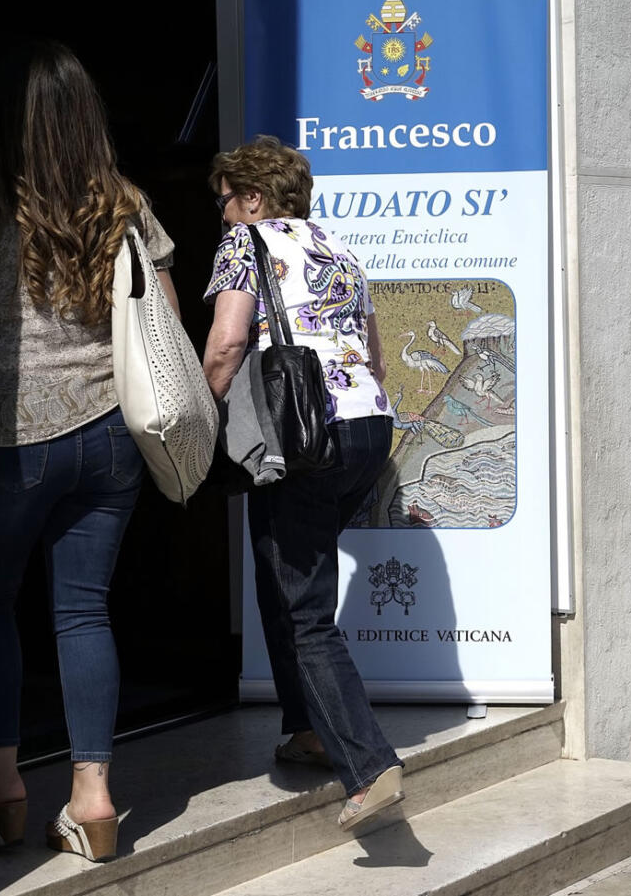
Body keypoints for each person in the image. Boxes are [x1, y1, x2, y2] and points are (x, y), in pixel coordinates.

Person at [0, 41, 179, 862]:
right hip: (112, 437)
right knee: (81, 609)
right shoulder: (125, 203)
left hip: (9, 441)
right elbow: (164, 308)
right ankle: (93, 801)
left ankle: (1, 790)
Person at [202, 136, 404, 831]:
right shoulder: (338, 247)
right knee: (278, 560)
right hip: (367, 425)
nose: (223, 211)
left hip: (302, 435)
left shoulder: (245, 243)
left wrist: (199, 417)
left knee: (306, 609)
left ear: (252, 198)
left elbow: (228, 342)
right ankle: (307, 726)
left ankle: (369, 765)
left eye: (226, 198)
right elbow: (373, 352)